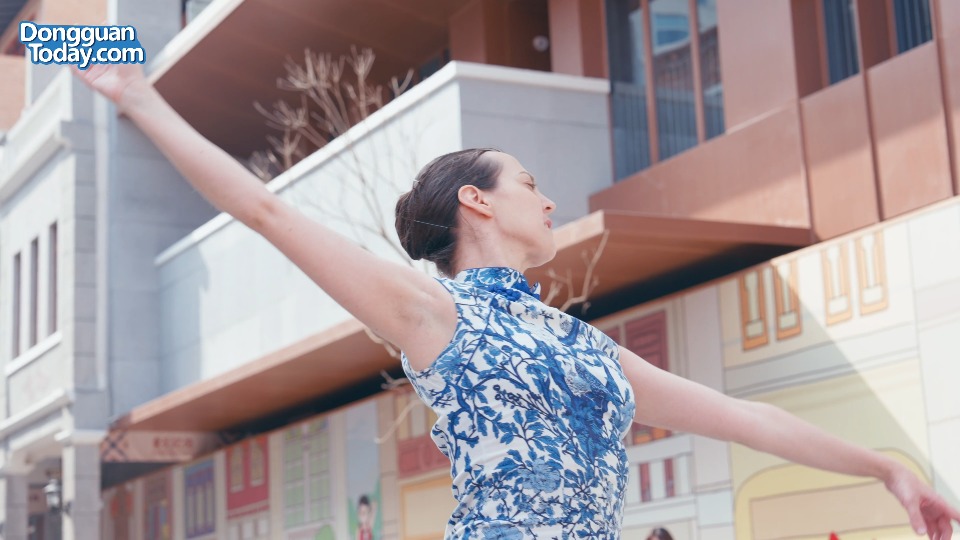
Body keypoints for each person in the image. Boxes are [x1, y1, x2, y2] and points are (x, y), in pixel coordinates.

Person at [73, 64, 959, 539]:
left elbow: (744, 417)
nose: (549, 199)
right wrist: (135, 91)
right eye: (529, 183)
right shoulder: (433, 311)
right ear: (477, 201)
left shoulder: (582, 345)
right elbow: (262, 209)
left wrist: (883, 465)